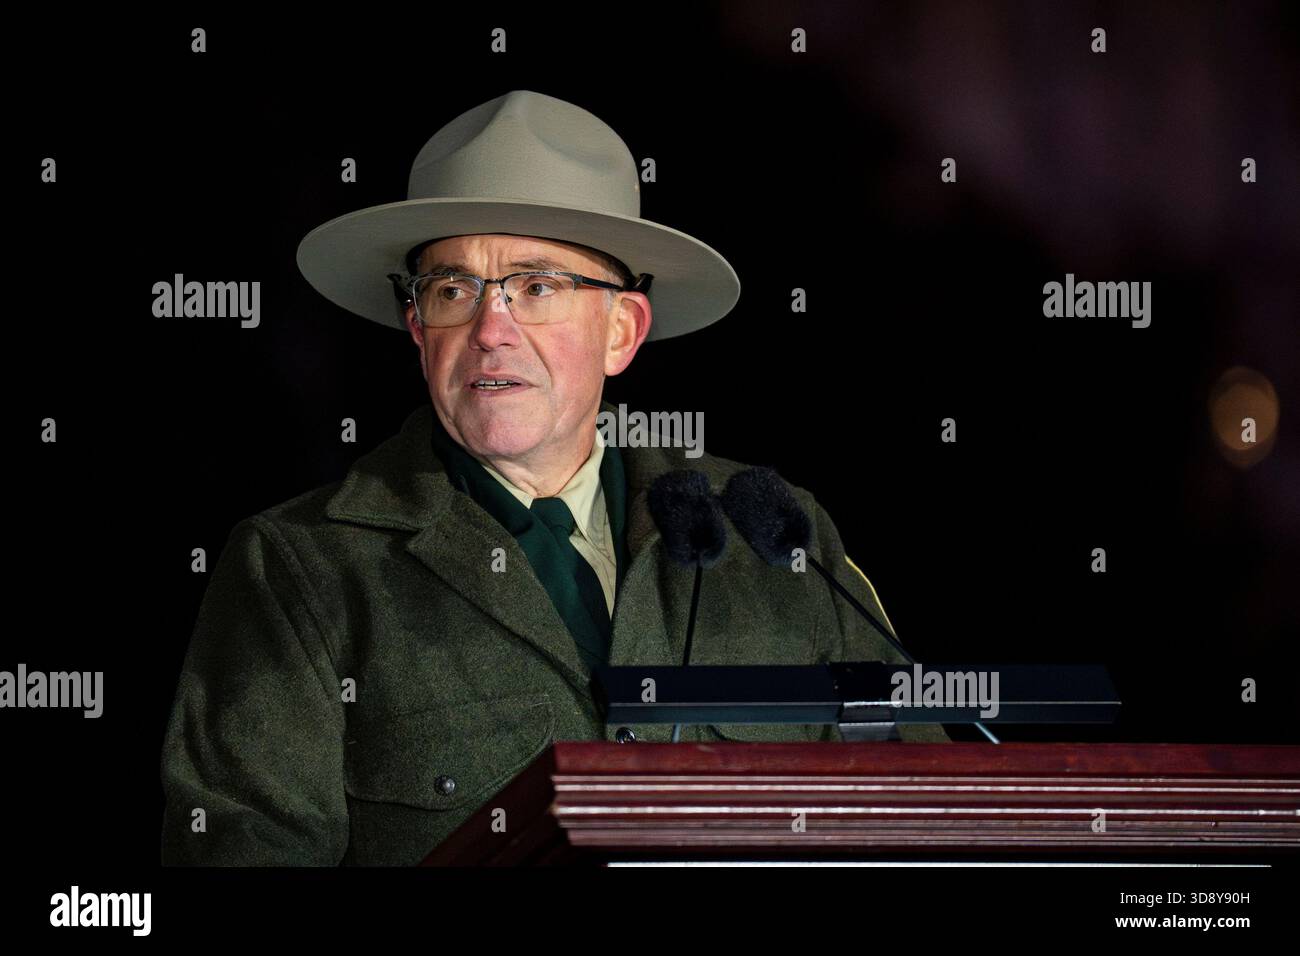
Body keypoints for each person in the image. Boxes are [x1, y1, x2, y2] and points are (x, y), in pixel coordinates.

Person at [160, 90, 949, 867]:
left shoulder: (769, 532)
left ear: (621, 330)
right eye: (452, 290)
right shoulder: (302, 569)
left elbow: (933, 818)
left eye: (536, 287)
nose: (490, 330)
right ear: (417, 329)